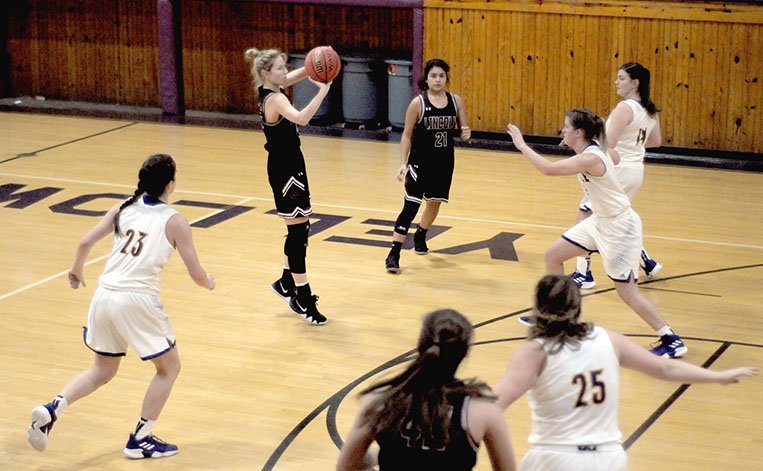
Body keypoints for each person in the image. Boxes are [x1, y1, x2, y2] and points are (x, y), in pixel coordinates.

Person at [27, 154, 216, 458]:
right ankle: (141, 438)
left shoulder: (123, 207)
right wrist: (209, 281)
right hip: (136, 300)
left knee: (102, 370)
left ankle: (52, 409)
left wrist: (76, 270)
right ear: (171, 184)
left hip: (104, 295)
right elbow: (196, 275)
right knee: (169, 368)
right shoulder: (175, 220)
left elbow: (85, 242)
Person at [493, 274, 758, 471]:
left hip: (557, 458)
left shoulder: (535, 353)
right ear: (578, 307)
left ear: (538, 308)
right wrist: (717, 376)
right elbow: (666, 368)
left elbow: (493, 405)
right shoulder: (608, 339)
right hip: (610, 459)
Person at [507, 108, 685, 357]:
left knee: (628, 293)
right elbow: (615, 157)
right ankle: (557, 320)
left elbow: (548, 169)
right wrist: (581, 148)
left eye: (566, 127)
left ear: (579, 132)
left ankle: (671, 338)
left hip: (619, 227)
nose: (563, 130)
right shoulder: (593, 151)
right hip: (600, 221)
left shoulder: (590, 158)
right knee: (553, 255)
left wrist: (521, 145)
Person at [337, 309, 516, 470]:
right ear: (463, 354)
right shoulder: (481, 409)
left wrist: (382, 455)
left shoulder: (383, 400)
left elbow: (345, 466)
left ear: (421, 345)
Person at [245, 47, 331, 324]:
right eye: (281, 68)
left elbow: (296, 75)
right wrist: (322, 90)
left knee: (300, 227)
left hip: (291, 164)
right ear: (267, 73)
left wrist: (315, 62)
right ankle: (303, 298)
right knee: (298, 235)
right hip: (285, 169)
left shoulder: (268, 88)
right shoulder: (276, 100)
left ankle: (285, 282)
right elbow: (302, 119)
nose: (285, 71)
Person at [572, 62, 663, 289]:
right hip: (636, 169)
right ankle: (646, 261)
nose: (616, 82)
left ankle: (583, 273)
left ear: (635, 83)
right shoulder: (649, 109)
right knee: (620, 214)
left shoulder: (625, 108)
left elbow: (608, 145)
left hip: (619, 169)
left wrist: (582, 142)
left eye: (621, 78)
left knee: (587, 215)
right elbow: (655, 141)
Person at [385, 58, 471, 274]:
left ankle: (421, 233)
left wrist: (466, 132)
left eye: (442, 75)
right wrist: (403, 164)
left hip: (443, 162)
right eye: (433, 75)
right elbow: (406, 135)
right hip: (419, 163)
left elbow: (464, 129)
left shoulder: (456, 101)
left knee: (434, 204)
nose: (438, 79)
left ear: (447, 78)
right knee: (411, 206)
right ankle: (394, 253)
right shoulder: (418, 103)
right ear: (426, 78)